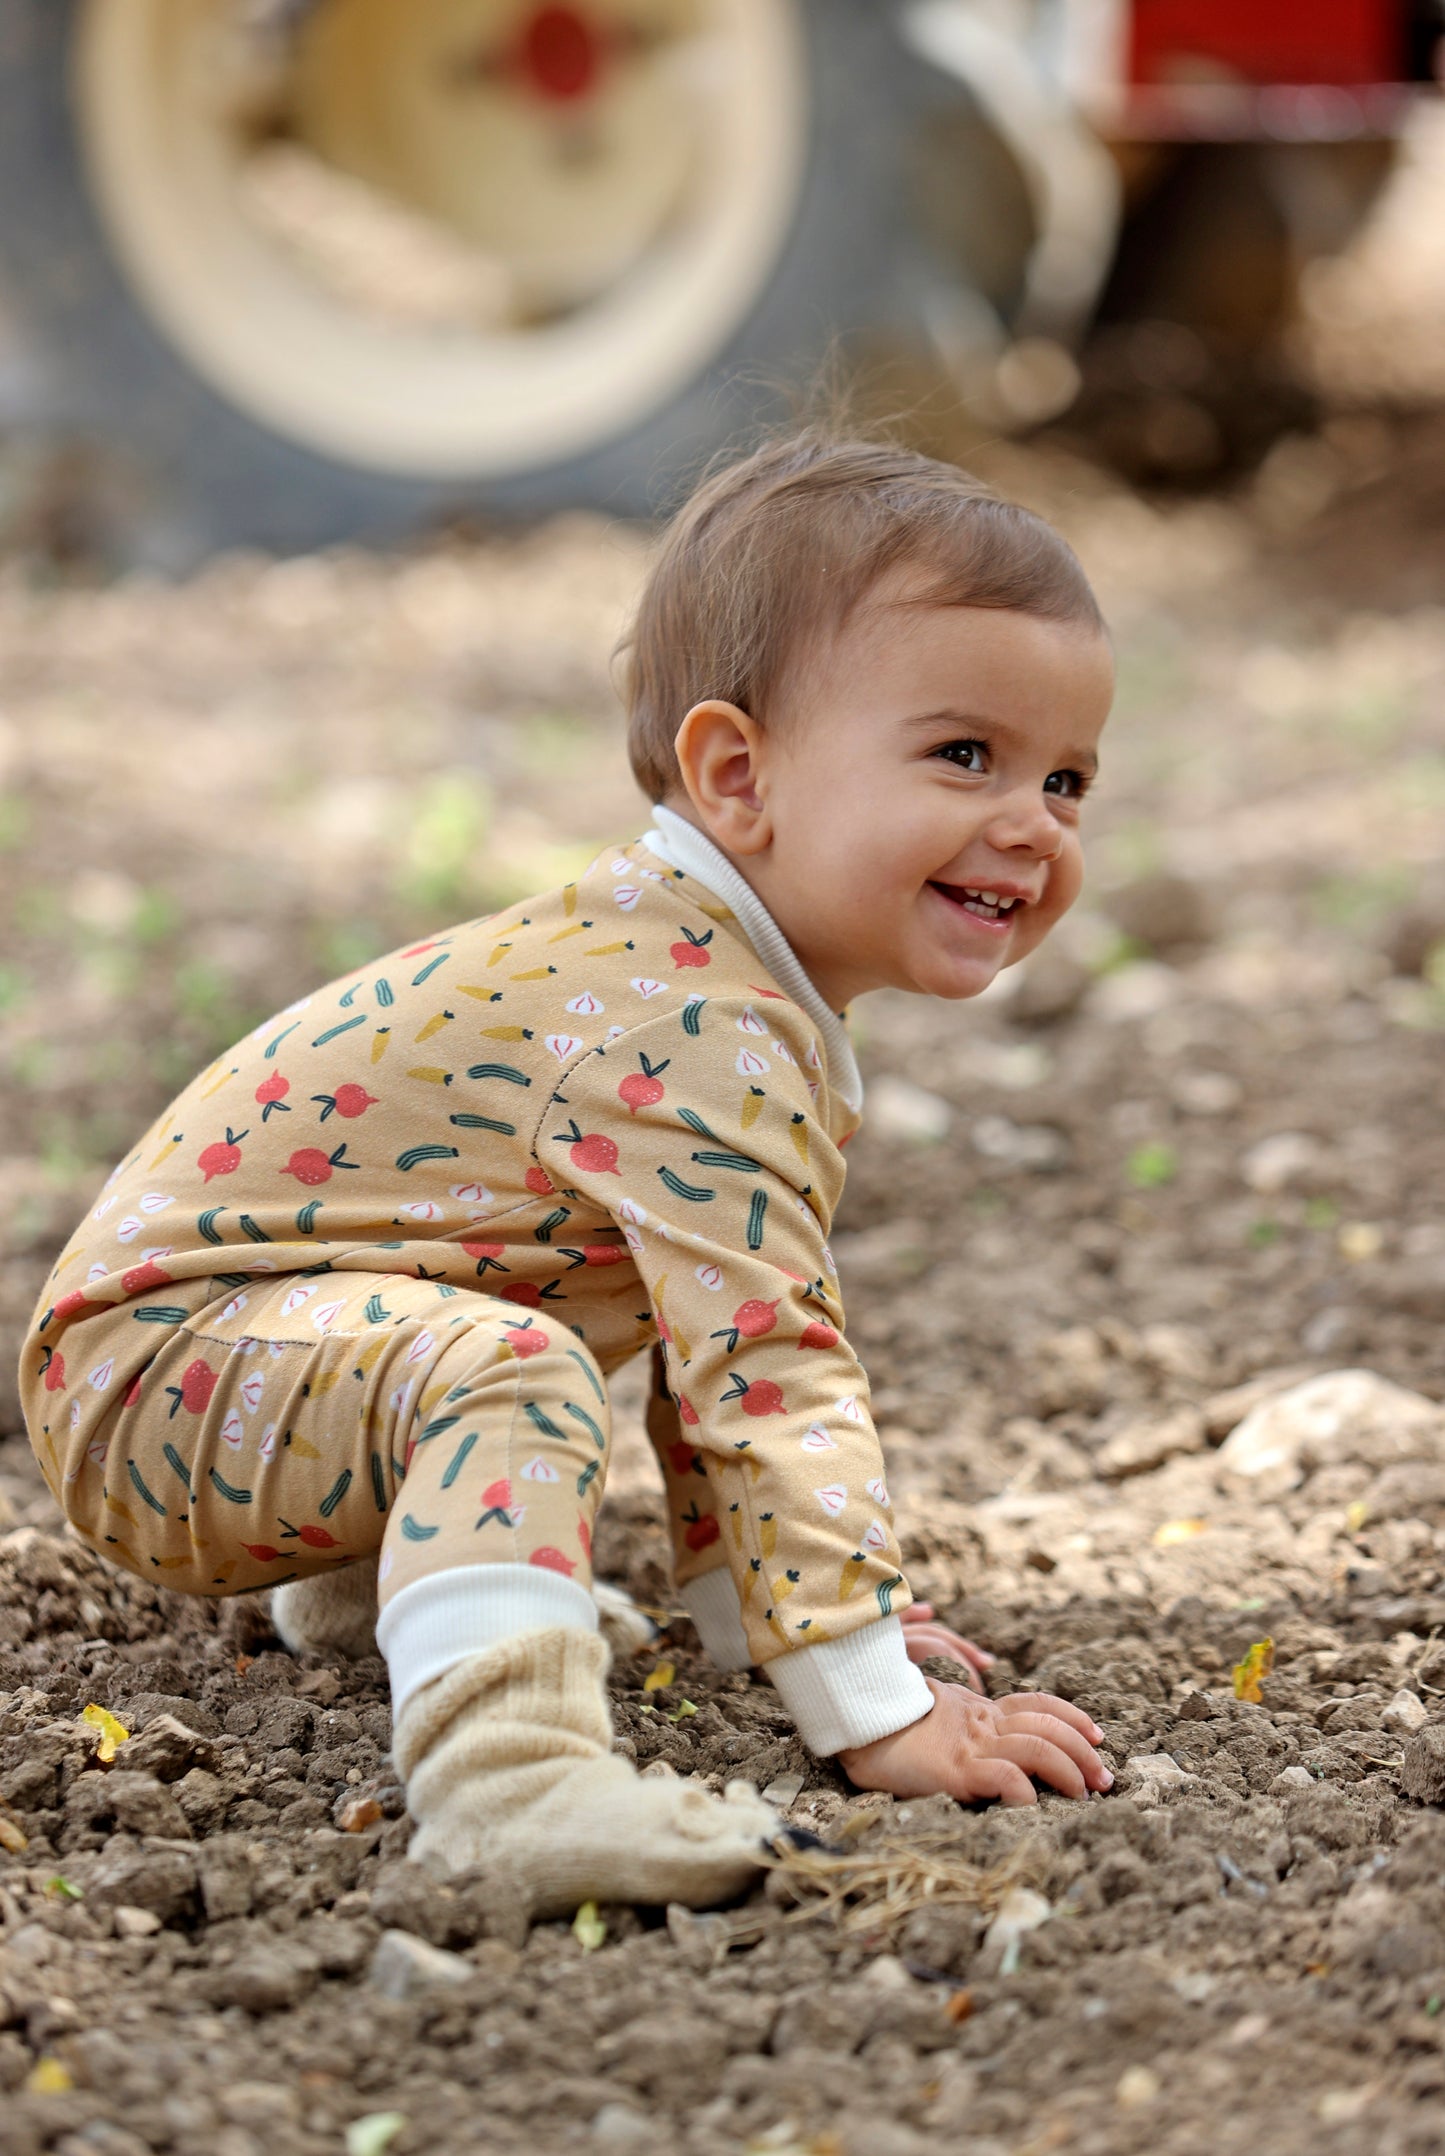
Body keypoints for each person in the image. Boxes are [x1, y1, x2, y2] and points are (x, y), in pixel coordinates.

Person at [17, 429, 1113, 1921]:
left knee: (511, 1331)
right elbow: (766, 1365)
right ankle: (511, 1790)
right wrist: (874, 1700)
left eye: (1065, 780)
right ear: (736, 773)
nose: (1031, 824)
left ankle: (386, 1597)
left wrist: (763, 1625)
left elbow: (690, 1344)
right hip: (157, 1386)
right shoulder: (692, 1020)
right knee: (513, 1365)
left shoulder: (699, 980)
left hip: (225, 1368)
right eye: (964, 755)